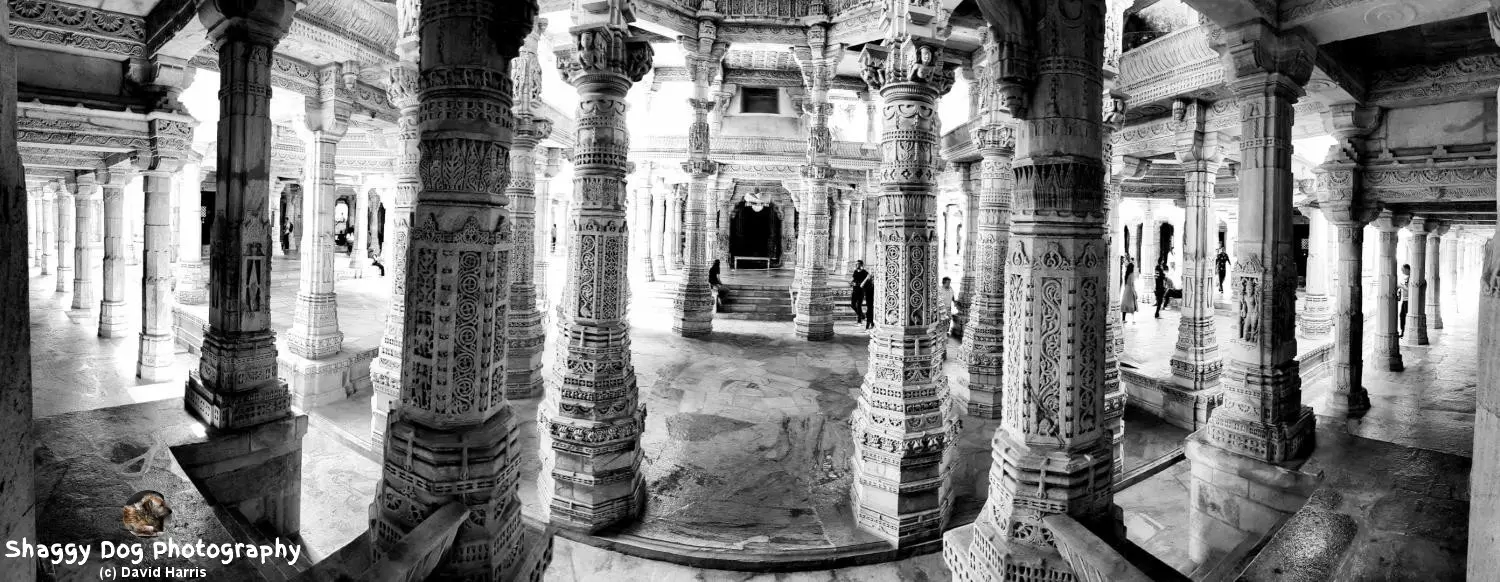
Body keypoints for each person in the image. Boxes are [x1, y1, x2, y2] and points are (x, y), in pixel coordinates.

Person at [1121, 257, 1138, 323]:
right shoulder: (1132, 275)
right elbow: (1132, 284)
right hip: (1130, 290)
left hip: (1126, 289)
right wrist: (1135, 292)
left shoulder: (1126, 275)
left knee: (1125, 304)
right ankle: (1133, 319)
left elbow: (1126, 283)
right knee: (1132, 304)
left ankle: (1123, 319)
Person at [1399, 263, 1411, 337]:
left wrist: (1401, 286)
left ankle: (1405, 332)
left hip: (1408, 301)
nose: (1402, 272)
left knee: (1405, 316)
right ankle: (1403, 332)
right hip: (1405, 300)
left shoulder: (1411, 278)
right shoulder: (1407, 278)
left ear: (1407, 269)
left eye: (1403, 270)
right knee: (1402, 316)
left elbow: (1410, 290)